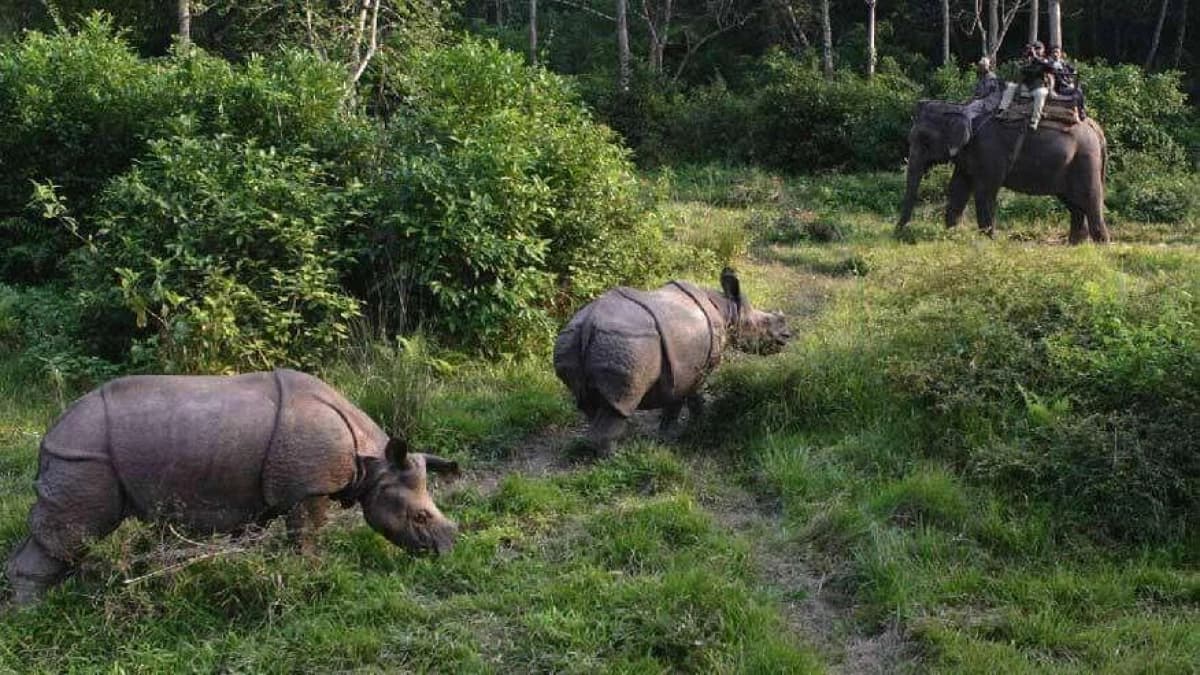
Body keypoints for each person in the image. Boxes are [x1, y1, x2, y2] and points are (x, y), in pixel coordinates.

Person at [999, 41, 1053, 130]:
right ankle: (1002, 110)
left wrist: (1035, 57)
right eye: (1035, 48)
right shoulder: (1028, 59)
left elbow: (1050, 68)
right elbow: (1022, 71)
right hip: (1026, 86)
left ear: (1043, 50)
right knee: (1010, 87)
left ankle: (1035, 120)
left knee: (1040, 94)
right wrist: (1027, 59)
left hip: (1039, 87)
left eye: (1038, 48)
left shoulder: (1044, 60)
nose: (1036, 50)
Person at [1049, 44, 1087, 119]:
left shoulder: (1063, 63)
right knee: (1078, 91)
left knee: (1080, 89)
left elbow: (1072, 70)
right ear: (1051, 54)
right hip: (1060, 87)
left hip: (1067, 84)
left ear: (1060, 54)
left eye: (1057, 52)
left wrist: (1073, 76)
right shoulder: (1050, 64)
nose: (1056, 54)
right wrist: (1067, 84)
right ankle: (1081, 111)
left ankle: (1080, 109)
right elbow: (1058, 79)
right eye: (1054, 52)